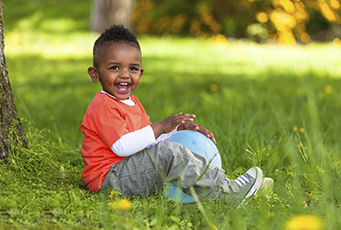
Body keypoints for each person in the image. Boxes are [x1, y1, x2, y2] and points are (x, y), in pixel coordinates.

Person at [80, 24, 273, 206]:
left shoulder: (134, 103)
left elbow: (148, 142)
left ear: (141, 72)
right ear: (95, 74)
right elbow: (122, 147)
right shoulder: (103, 106)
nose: (124, 75)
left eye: (133, 68)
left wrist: (175, 131)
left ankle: (228, 184)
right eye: (115, 68)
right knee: (167, 154)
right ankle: (230, 193)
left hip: (129, 171)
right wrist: (159, 127)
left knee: (171, 149)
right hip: (109, 179)